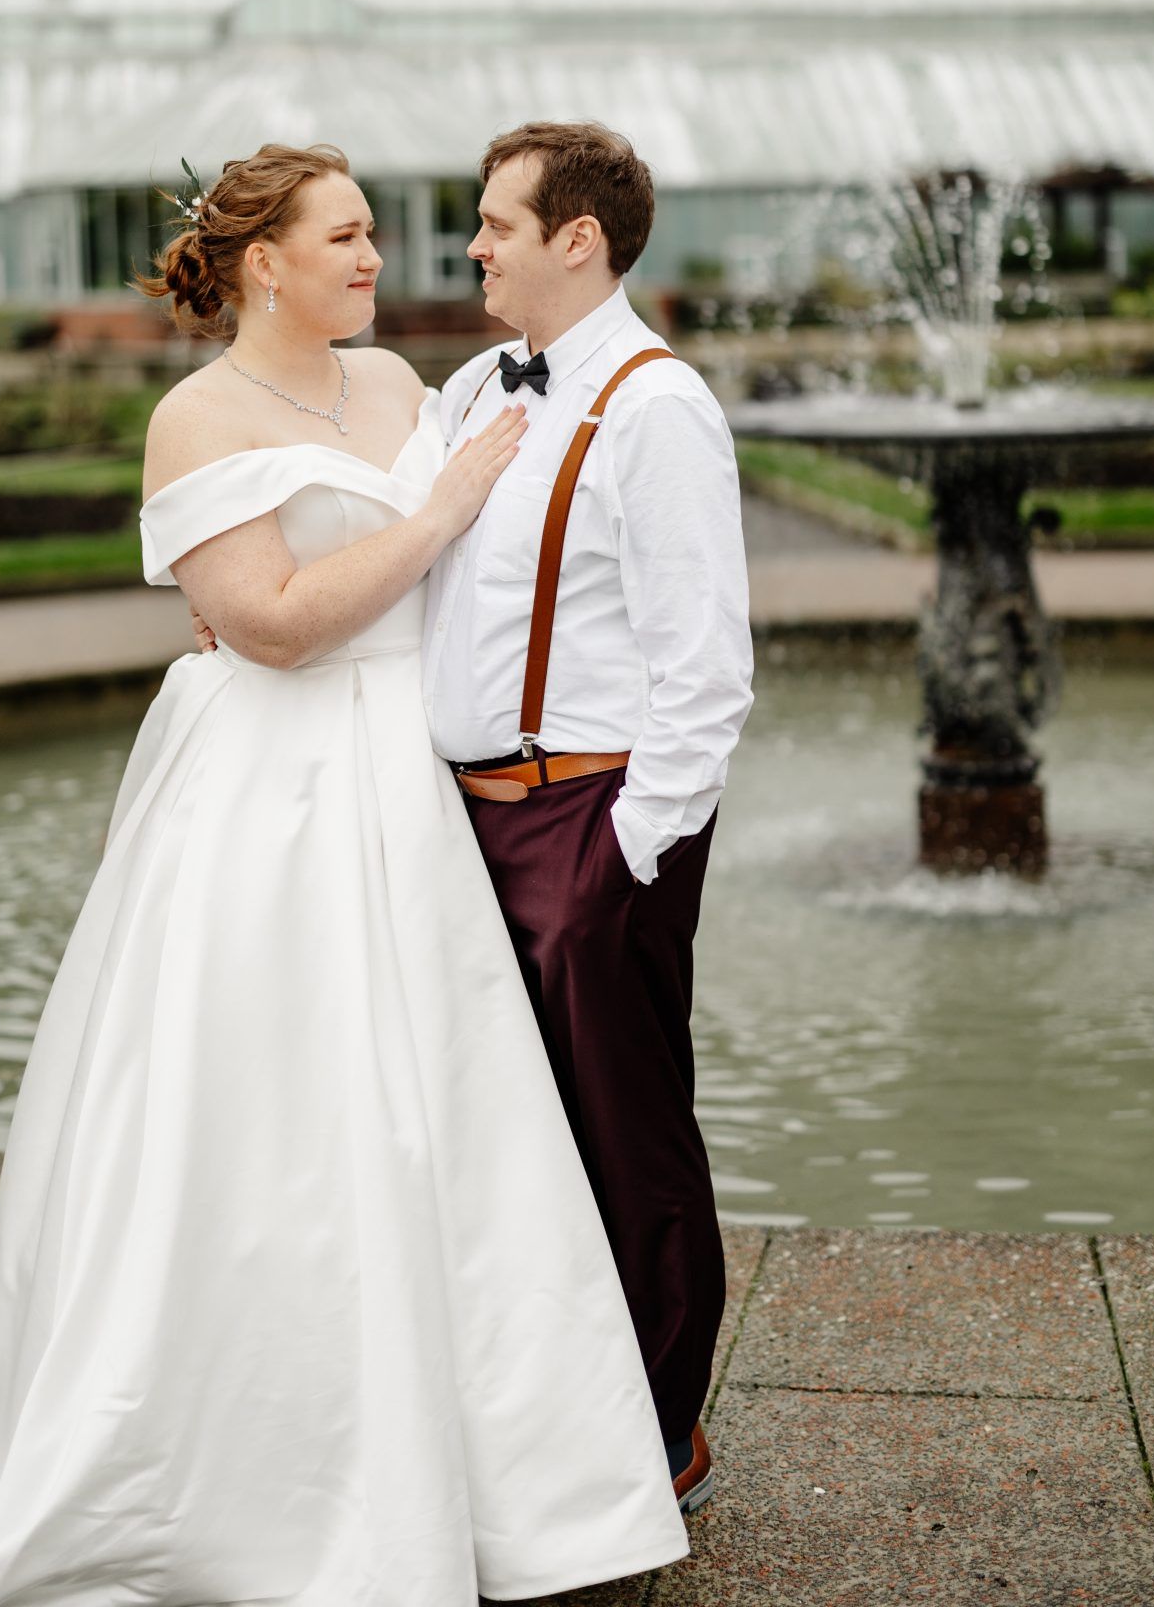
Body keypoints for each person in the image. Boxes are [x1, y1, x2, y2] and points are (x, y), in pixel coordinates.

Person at [0, 143, 690, 1607]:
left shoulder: (407, 387)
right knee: (276, 1108)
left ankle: (508, 1475)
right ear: (265, 263)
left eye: (375, 232)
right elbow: (266, 625)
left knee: (450, 1120)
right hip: (274, 789)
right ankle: (256, 1470)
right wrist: (431, 518)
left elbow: (490, 567)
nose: (380, 257)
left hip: (414, 783)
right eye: (348, 236)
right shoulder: (193, 419)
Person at [424, 122, 754, 1515]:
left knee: (625, 1133)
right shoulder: (469, 387)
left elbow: (706, 669)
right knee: (500, 1134)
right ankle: (536, 1414)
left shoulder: (657, 406)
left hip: (591, 820)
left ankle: (661, 1431)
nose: (473, 245)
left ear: (578, 239)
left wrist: (625, 853)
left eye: (496, 223)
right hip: (457, 820)